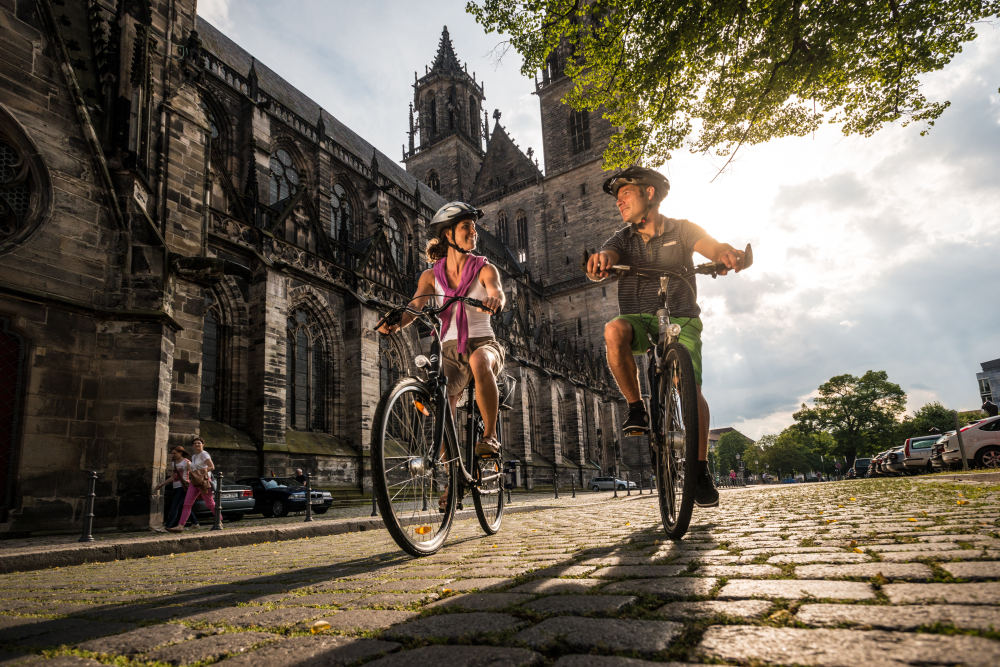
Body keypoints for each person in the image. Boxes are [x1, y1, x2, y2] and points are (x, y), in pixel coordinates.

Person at [585, 166, 747, 508]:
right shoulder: (621, 239)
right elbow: (609, 254)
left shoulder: (684, 229)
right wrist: (602, 260)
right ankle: (636, 407)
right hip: (638, 317)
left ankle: (699, 468)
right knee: (613, 330)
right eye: (617, 198)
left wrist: (725, 255)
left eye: (625, 194)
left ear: (649, 194)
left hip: (682, 316)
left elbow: (712, 246)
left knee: (689, 389)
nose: (619, 203)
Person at [378, 201, 506, 462]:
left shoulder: (485, 268)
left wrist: (494, 301)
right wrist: (393, 322)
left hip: (483, 344)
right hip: (450, 349)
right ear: (449, 234)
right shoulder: (429, 277)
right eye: (466, 227)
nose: (474, 232)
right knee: (439, 398)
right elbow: (414, 308)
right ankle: (452, 478)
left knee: (479, 360)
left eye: (474, 227)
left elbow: (496, 291)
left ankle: (490, 436)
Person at [168, 437, 219, 532]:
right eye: (195, 443)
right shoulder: (194, 456)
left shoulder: (204, 454)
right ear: (193, 446)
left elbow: (212, 467)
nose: (197, 445)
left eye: (199, 443)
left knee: (209, 503)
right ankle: (180, 526)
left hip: (203, 481)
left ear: (202, 444)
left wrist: (203, 470)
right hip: (194, 482)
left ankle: (219, 521)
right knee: (187, 504)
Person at [153, 446, 193, 529]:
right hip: (175, 487)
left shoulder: (187, 462)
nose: (173, 455)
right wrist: (162, 484)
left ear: (180, 453)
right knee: (182, 506)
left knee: (174, 506)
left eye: (175, 453)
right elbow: (173, 477)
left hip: (183, 488)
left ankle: (168, 526)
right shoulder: (174, 463)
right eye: (172, 453)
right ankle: (195, 522)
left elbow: (193, 474)